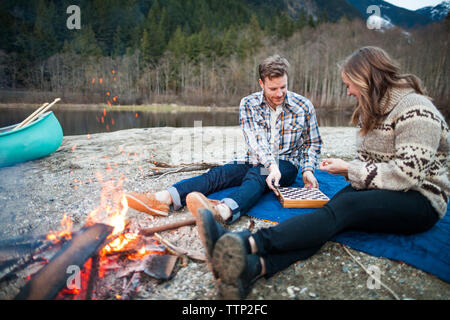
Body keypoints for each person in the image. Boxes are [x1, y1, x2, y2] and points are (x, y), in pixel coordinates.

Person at [194, 46, 450, 299]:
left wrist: (348, 168)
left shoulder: (416, 109)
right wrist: (348, 170)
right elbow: (368, 161)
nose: (348, 91)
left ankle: (245, 244)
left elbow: (408, 174)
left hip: (420, 198)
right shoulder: (369, 110)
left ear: (367, 79)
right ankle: (253, 269)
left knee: (345, 207)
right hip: (383, 189)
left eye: (350, 84)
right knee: (328, 218)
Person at [125, 55, 322, 226]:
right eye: (273, 88)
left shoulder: (303, 106)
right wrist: (271, 164)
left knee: (257, 175)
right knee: (219, 174)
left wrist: (307, 171)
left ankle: (223, 212)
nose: (279, 93)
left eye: (283, 87)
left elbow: (312, 144)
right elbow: (256, 141)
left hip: (286, 164)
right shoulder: (248, 104)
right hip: (256, 158)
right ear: (261, 84)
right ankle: (164, 199)